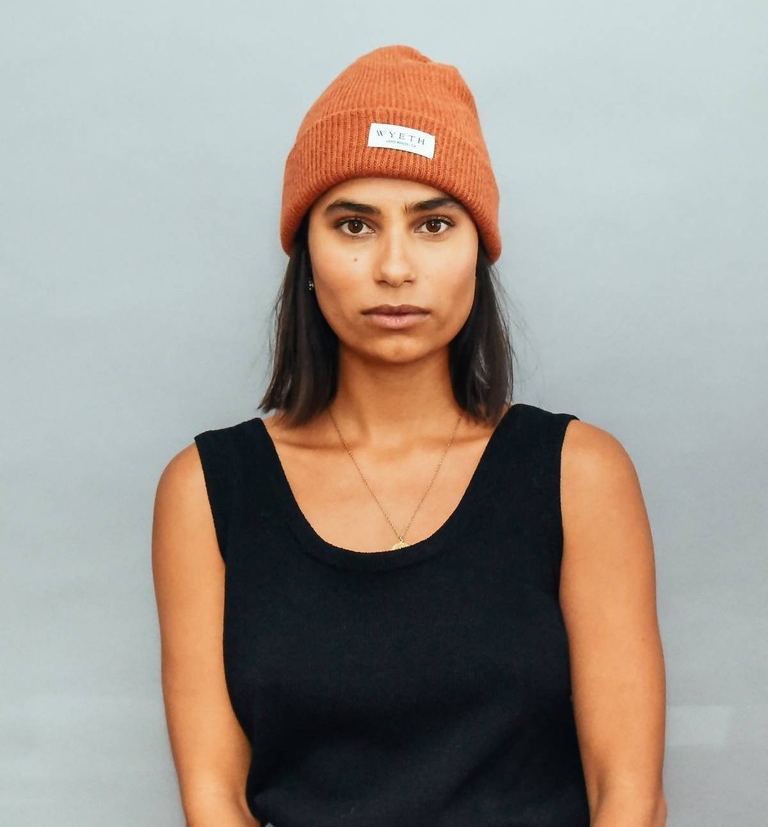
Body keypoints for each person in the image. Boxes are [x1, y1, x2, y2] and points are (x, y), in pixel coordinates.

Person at [152, 45, 668, 827]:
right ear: (306, 252)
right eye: (354, 224)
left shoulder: (578, 475)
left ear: (477, 248)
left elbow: (628, 796)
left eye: (433, 224)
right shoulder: (207, 491)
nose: (394, 267)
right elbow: (213, 800)